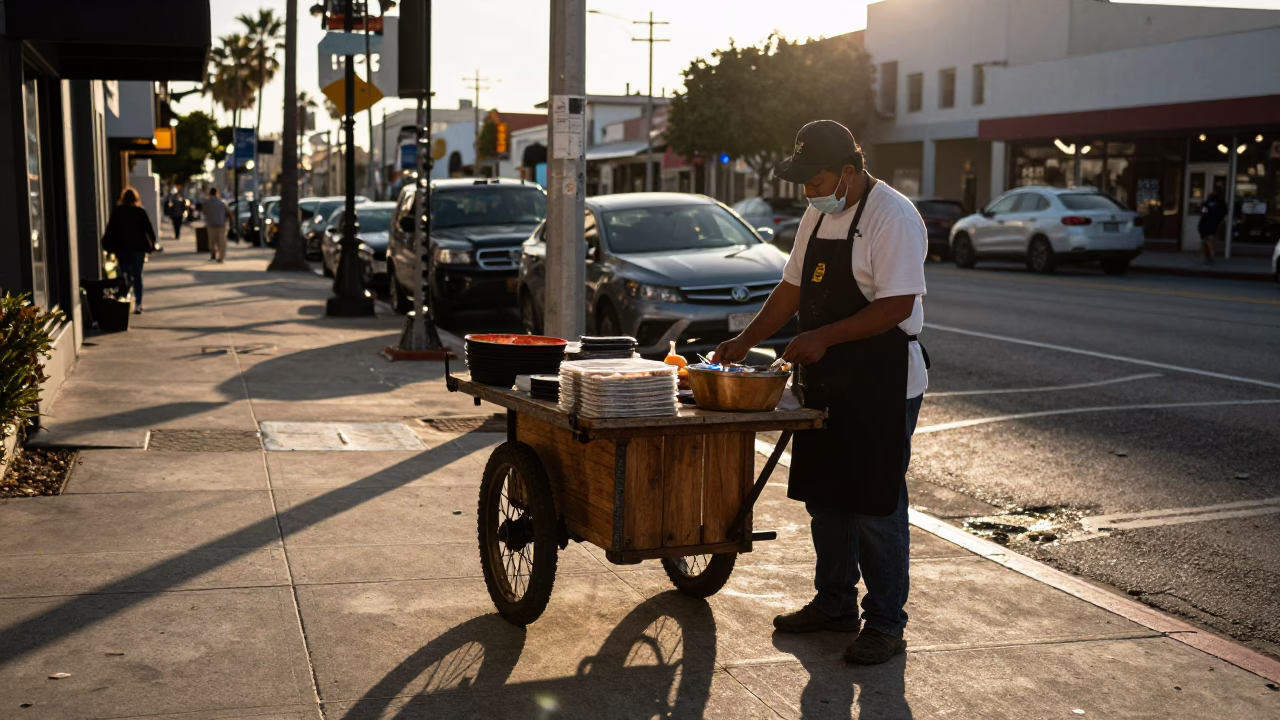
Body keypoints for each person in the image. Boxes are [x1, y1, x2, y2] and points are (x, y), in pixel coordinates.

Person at [715, 120, 928, 666]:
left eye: (816, 180)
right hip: (826, 375)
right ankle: (835, 603)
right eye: (804, 183)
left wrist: (822, 337)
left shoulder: (894, 216)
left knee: (875, 504)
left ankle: (885, 622)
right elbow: (790, 289)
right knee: (826, 497)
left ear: (850, 172)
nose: (808, 191)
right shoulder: (817, 214)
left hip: (883, 379)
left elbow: (897, 305)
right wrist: (745, 341)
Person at [102, 187, 158, 314]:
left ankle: (124, 298)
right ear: (135, 199)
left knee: (124, 274)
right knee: (137, 275)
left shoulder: (118, 212)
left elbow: (111, 229)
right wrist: (152, 243)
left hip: (122, 248)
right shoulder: (140, 212)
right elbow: (148, 229)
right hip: (138, 249)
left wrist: (108, 245)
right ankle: (138, 303)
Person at [1198, 191, 1227, 265]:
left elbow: (1203, 212)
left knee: (1205, 239)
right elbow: (1224, 212)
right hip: (1214, 224)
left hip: (1205, 223)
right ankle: (1209, 255)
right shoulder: (1221, 204)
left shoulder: (1207, 204)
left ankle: (1207, 255)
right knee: (1210, 239)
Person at [203, 187, 229, 262]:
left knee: (212, 241)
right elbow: (227, 213)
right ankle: (221, 257)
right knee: (221, 242)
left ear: (210, 194)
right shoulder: (222, 202)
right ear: (217, 193)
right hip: (221, 225)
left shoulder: (207, 203)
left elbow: (204, 212)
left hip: (211, 225)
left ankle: (213, 254)